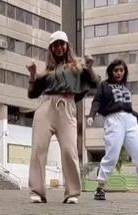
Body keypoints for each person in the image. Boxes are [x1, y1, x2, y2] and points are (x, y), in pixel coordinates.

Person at [27, 31, 99, 204]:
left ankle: (72, 192)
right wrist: (32, 75)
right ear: (51, 49)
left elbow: (94, 84)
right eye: (55, 45)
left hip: (67, 106)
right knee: (38, 148)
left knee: (69, 150)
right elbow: (32, 94)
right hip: (46, 106)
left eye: (62, 44)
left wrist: (89, 66)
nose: (59, 48)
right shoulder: (46, 71)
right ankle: (37, 191)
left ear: (67, 46)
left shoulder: (78, 66)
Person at [87, 59, 138, 201]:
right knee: (112, 155)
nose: (119, 73)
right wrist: (91, 115)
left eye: (121, 70)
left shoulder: (126, 87)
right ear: (111, 72)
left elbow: (129, 109)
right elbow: (97, 101)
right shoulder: (104, 85)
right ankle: (100, 187)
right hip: (114, 121)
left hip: (130, 121)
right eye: (116, 70)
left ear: (124, 72)